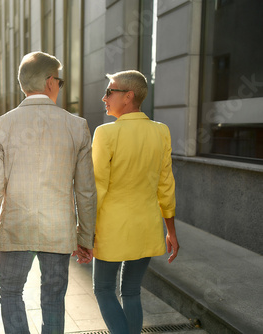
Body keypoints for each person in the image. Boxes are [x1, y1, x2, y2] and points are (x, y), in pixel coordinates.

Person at [0, 51, 97, 334]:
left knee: (10, 293)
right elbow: (86, 191)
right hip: (58, 230)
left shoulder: (0, 126)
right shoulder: (76, 126)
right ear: (51, 82)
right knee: (53, 299)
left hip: (17, 229)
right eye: (60, 81)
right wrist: (85, 237)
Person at [91, 70, 180, 334]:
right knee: (131, 292)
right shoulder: (161, 131)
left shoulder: (106, 134)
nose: (104, 97)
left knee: (103, 289)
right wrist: (171, 231)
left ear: (128, 96)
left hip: (112, 229)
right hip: (147, 227)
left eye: (109, 91)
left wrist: (83, 229)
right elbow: (166, 185)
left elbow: (97, 187)